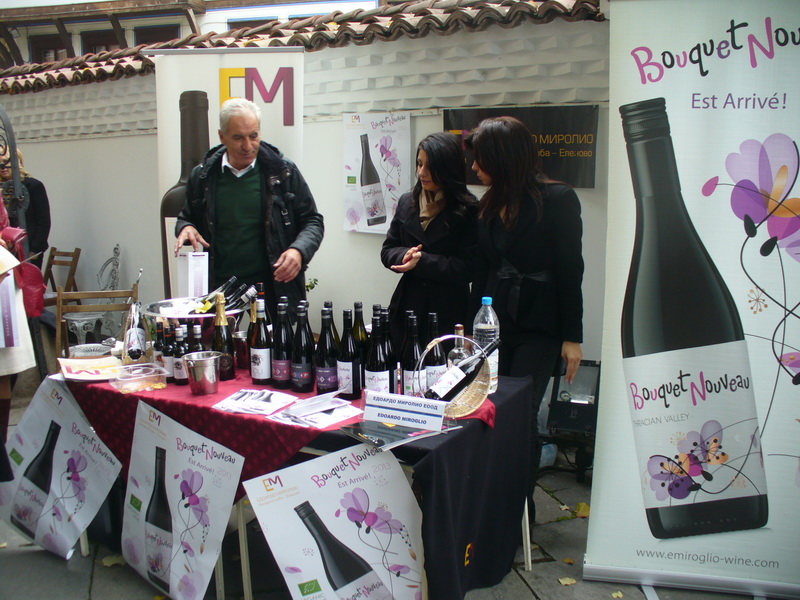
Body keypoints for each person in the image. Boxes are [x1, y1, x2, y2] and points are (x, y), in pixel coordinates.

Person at [465, 116, 584, 512]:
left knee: (522, 413)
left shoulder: (558, 199)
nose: (474, 167)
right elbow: (482, 271)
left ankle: (519, 509)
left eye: (480, 159)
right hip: (494, 324)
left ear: (503, 158)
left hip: (541, 324)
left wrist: (572, 337)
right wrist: (470, 333)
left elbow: (571, 270)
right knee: (489, 406)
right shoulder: (488, 204)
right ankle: (491, 497)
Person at [174, 98, 324, 317]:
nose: (247, 146)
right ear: (222, 136)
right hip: (219, 289)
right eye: (238, 138)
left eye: (253, 136)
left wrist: (298, 250)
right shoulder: (204, 176)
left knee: (275, 340)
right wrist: (186, 227)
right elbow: (186, 218)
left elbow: (313, 220)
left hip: (273, 287)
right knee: (218, 341)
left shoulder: (283, 172)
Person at [380, 132, 478, 348]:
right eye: (419, 164)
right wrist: (404, 255)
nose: (421, 172)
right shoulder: (407, 202)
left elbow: (469, 268)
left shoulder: (468, 209)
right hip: (407, 306)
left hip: (448, 310)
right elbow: (388, 250)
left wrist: (422, 261)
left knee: (442, 366)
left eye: (430, 166)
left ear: (448, 168)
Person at [0, 149, 51, 268]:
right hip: (6, 249)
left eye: (6, 162)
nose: (3, 167)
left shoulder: (33, 186)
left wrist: (34, 249)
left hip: (28, 248)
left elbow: (43, 220)